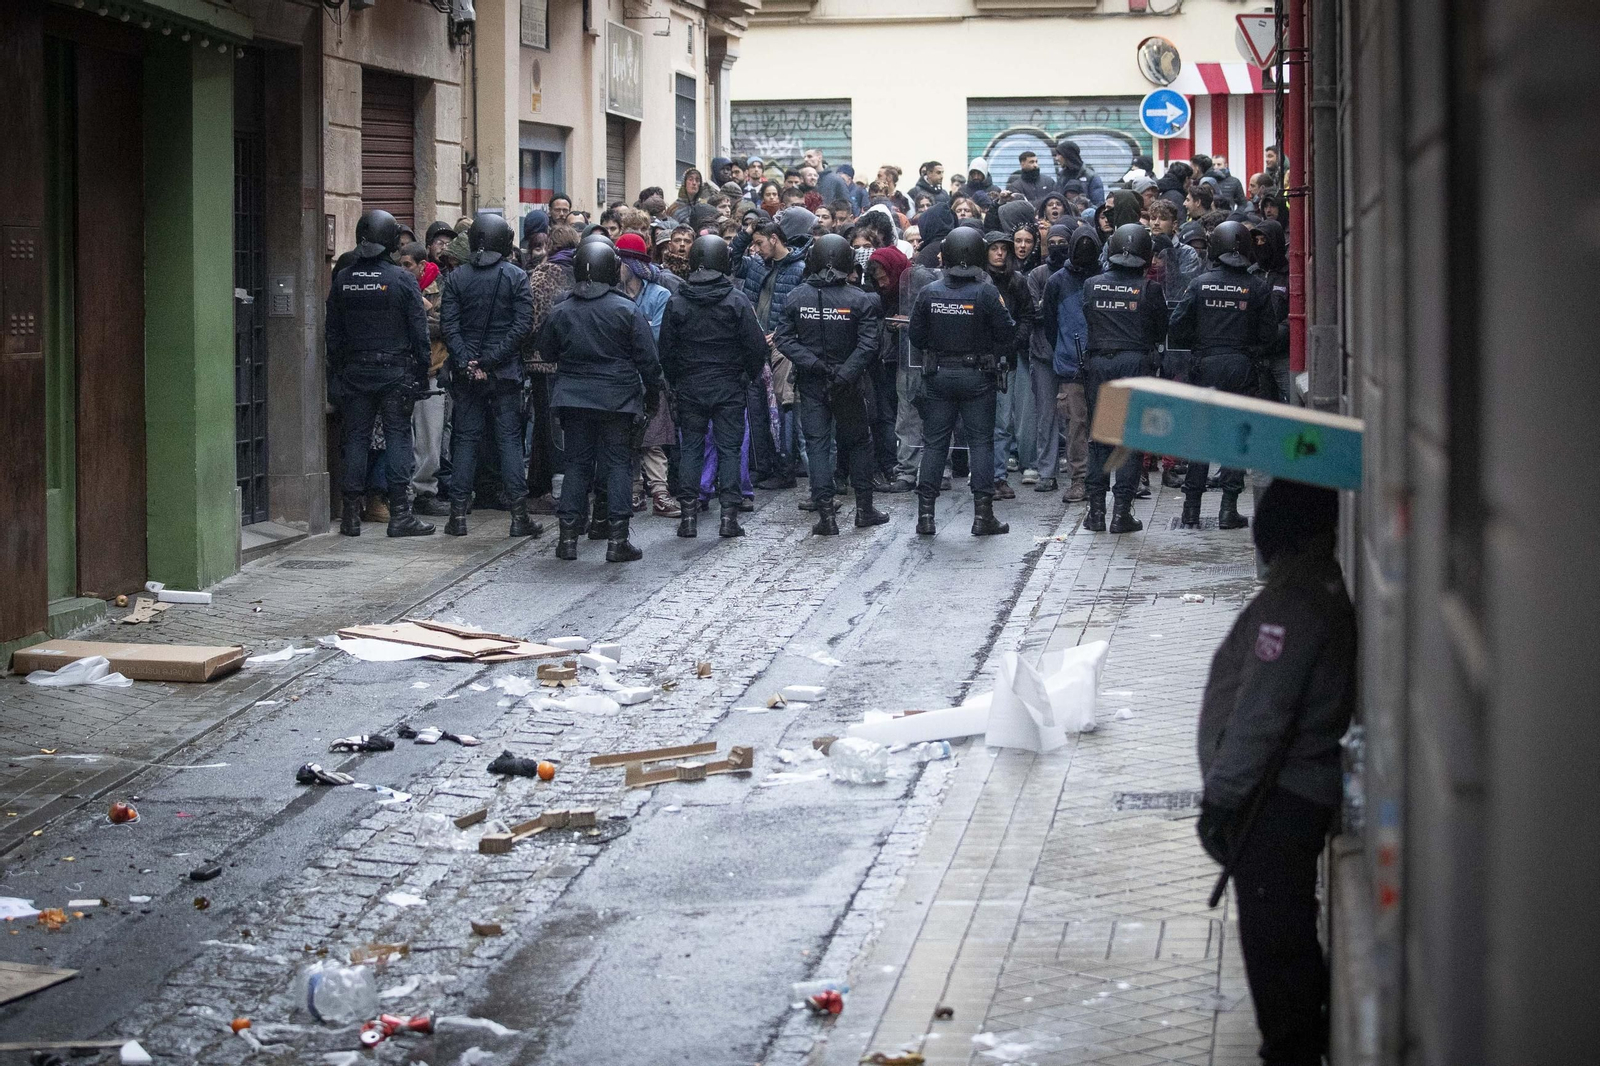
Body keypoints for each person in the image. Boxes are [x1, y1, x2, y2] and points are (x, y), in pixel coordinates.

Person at [1196, 478, 1353, 1066]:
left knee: (1275, 942)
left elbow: (1262, 712)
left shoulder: (1295, 603)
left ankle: (1291, 1052)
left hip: (1276, 799)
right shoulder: (1308, 588)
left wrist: (1222, 797)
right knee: (1278, 936)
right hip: (1282, 794)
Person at [539, 241, 663, 562]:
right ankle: (617, 540)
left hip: (573, 399)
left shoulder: (561, 309)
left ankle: (567, 539)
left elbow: (547, 352)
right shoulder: (627, 310)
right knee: (618, 465)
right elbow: (648, 362)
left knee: (576, 465)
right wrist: (652, 397)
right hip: (618, 401)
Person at [326, 210, 435, 538]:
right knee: (398, 436)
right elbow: (420, 331)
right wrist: (420, 371)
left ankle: (350, 516)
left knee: (356, 438)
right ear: (390, 241)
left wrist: (341, 370)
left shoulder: (343, 278)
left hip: (356, 372)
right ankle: (401, 514)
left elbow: (333, 333)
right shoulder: (402, 279)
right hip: (394, 372)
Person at [772, 233, 887, 535]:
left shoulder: (797, 296)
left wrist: (813, 364)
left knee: (818, 446)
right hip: (848, 383)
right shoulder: (859, 299)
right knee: (860, 443)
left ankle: (826, 516)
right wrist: (845, 373)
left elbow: (784, 339)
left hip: (812, 382)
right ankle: (864, 509)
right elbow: (869, 344)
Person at [907, 226, 1016, 537]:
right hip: (978, 375)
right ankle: (983, 516)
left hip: (939, 375)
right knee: (981, 443)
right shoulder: (986, 293)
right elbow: (1007, 332)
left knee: (934, 444)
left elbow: (916, 335)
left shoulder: (930, 292)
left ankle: (925, 515)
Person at [659, 235, 770, 539]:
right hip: (729, 384)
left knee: (692, 449)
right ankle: (729, 518)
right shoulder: (736, 300)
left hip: (692, 385)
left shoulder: (678, 301)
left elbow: (665, 351)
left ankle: (688, 518)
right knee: (730, 450)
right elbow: (756, 346)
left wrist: (677, 379)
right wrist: (745, 376)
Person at [1169, 221, 1277, 529]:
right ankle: (1228, 510)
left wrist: (1199, 345)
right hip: (1241, 367)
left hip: (1205, 365)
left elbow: (1177, 327)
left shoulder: (1200, 284)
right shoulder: (1257, 287)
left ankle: (1190, 511)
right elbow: (1269, 335)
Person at [440, 212, 537, 538]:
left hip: (467, 374)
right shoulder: (516, 276)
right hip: (504, 373)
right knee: (509, 440)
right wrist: (491, 361)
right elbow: (522, 325)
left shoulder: (456, 278)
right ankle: (519, 516)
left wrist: (469, 361)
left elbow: (449, 326)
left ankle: (457, 516)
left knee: (465, 440)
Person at [1080, 224, 1166, 533]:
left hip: (1099, 364)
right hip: (1135, 364)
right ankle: (1121, 514)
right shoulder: (1149, 288)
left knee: (1100, 439)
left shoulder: (1091, 284)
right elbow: (1161, 330)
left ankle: (1095, 512)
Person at [1038, 223, 1101, 501]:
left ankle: (1109, 478)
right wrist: (1064, 349)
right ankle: (1080, 479)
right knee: (1077, 425)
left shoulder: (1105, 277)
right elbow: (1050, 324)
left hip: (1101, 361)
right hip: (1072, 364)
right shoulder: (1057, 282)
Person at [397, 242, 452, 518]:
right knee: (402, 436)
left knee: (431, 437)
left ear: (421, 265)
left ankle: (424, 491)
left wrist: (419, 314)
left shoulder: (440, 286)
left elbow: (445, 325)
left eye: (408, 265)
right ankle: (401, 491)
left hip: (432, 368)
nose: (404, 270)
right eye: (401, 264)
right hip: (401, 370)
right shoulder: (395, 284)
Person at [984, 232, 1034, 501]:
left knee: (1003, 422)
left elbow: (1027, 315)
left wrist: (1015, 342)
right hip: (980, 358)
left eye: (1004, 248)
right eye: (994, 249)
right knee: (982, 422)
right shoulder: (979, 282)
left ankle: (999, 476)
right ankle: (983, 476)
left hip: (1006, 360)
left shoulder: (1017, 281)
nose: (1000, 253)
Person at [1054, 139, 1105, 205]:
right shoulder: (1061, 177)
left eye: (1059, 154)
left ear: (1067, 155)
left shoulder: (1091, 177)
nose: (1056, 158)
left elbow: (1099, 205)